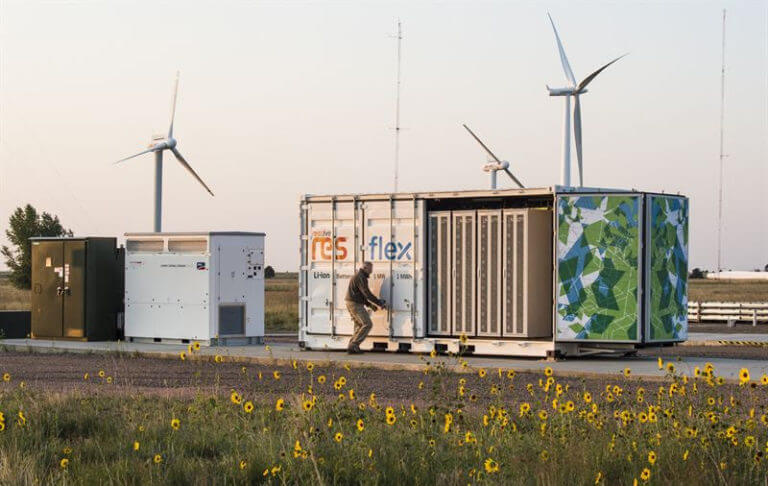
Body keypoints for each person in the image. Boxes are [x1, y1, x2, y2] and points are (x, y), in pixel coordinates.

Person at [345, 262, 386, 354]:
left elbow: (361, 294)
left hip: (352, 302)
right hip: (355, 304)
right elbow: (366, 293)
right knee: (367, 324)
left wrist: (370, 305)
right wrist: (379, 302)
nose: (371, 272)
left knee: (359, 325)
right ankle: (354, 345)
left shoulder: (359, 276)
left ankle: (351, 346)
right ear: (365, 268)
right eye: (370, 269)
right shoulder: (361, 277)